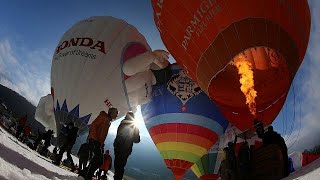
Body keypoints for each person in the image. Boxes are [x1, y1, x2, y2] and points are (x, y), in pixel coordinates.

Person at [81, 108, 118, 180]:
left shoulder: (108, 120)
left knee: (98, 160)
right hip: (94, 140)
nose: (117, 116)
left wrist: (101, 143)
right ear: (111, 113)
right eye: (116, 113)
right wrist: (95, 139)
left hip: (98, 142)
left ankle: (85, 174)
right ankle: (87, 175)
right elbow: (93, 125)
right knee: (98, 159)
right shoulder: (103, 117)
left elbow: (102, 133)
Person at [113, 112, 140, 180]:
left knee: (117, 165)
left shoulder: (121, 123)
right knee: (121, 166)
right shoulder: (134, 126)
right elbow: (137, 140)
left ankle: (116, 177)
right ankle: (118, 178)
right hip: (126, 149)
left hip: (117, 147)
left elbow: (118, 135)